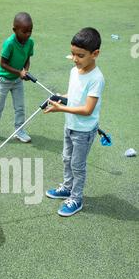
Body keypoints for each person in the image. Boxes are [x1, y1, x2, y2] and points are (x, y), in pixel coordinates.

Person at [45, 27, 105, 216]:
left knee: (77, 166)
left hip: (84, 131)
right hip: (70, 125)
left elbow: (87, 109)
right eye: (72, 54)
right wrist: (61, 98)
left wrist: (61, 108)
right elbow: (74, 95)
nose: (75, 59)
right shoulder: (74, 71)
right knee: (66, 159)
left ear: (95, 54)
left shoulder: (97, 78)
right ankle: (67, 188)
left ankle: (76, 199)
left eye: (80, 55)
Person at [0, 12, 34, 143]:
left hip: (17, 81)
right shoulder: (9, 43)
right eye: (24, 31)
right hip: (3, 80)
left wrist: (26, 71)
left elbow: (27, 59)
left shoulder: (30, 42)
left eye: (30, 31)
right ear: (15, 30)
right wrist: (19, 72)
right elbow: (3, 64)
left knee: (20, 107)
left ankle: (19, 130)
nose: (28, 34)